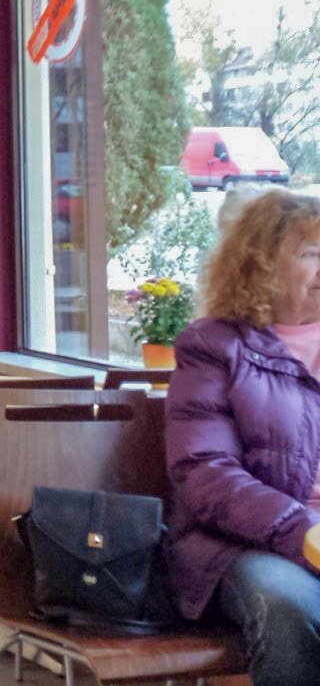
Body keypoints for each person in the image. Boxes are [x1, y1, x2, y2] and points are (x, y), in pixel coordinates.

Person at [167, 187, 320, 685]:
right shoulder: (213, 346)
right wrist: (302, 530)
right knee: (286, 604)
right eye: (311, 253)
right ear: (261, 264)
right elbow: (205, 473)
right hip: (237, 545)